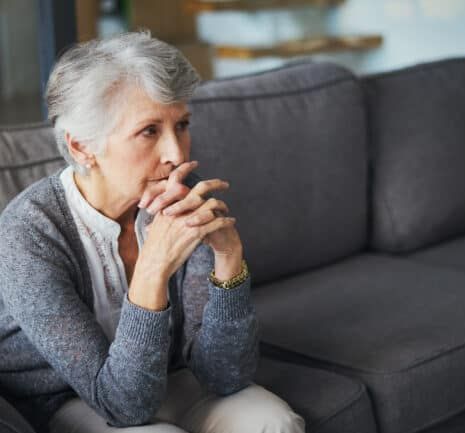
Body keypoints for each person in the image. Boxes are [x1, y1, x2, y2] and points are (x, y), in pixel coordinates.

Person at [0, 31, 306, 433]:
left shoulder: (180, 196)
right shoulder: (28, 234)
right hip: (68, 398)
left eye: (181, 125)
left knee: (271, 421)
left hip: (166, 376)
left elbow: (227, 376)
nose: (177, 154)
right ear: (81, 148)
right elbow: (123, 406)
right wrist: (153, 267)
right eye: (149, 131)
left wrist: (229, 261)